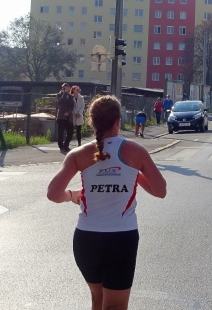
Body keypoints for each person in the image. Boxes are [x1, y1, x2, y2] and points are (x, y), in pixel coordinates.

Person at [47, 95, 167, 310]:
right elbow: (160, 191)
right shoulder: (136, 151)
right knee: (115, 306)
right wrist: (135, 174)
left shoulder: (78, 154)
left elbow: (53, 194)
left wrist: (72, 195)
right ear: (118, 121)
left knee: (98, 300)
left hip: (86, 238)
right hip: (121, 238)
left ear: (91, 121)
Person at [56, 83, 75, 152]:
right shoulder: (59, 95)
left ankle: (66, 145)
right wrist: (65, 93)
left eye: (67, 88)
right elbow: (61, 102)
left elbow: (72, 106)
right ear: (62, 89)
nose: (67, 89)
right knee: (61, 133)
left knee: (70, 132)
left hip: (68, 117)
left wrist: (68, 112)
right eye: (65, 88)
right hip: (61, 117)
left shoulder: (70, 96)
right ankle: (61, 146)